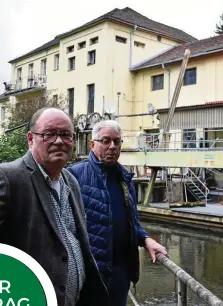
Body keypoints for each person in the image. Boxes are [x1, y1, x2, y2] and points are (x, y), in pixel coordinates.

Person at [0, 108, 109, 306]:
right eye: (49, 134)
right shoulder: (9, 178)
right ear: (31, 138)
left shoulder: (71, 181)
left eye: (65, 135)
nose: (58, 141)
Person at [67, 120, 168, 306]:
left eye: (116, 141)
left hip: (121, 274)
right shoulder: (74, 176)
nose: (112, 147)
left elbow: (132, 223)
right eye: (105, 141)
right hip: (91, 276)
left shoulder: (125, 179)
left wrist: (147, 240)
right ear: (92, 144)